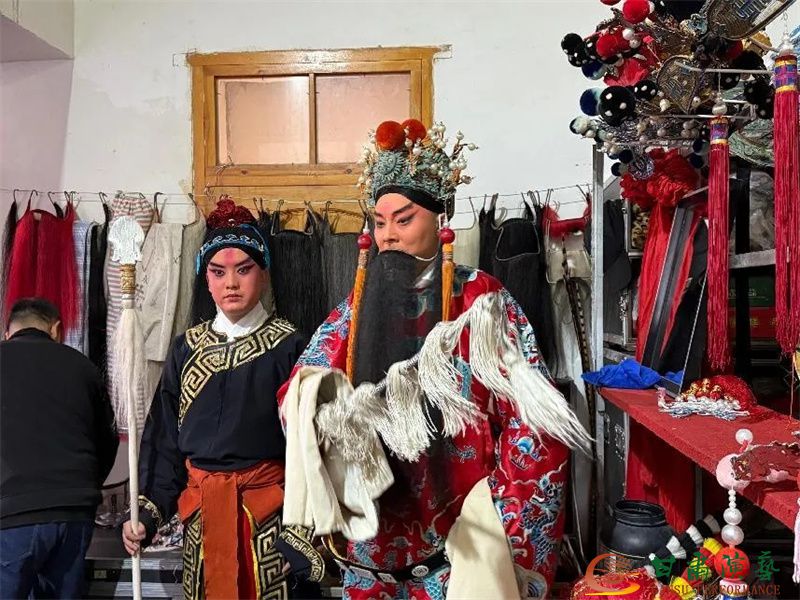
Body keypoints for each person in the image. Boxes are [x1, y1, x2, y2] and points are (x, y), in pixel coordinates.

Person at [279, 119, 589, 600]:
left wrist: (500, 520)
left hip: (460, 551)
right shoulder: (359, 305)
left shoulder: (481, 302)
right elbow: (298, 389)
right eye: (379, 222)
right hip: (370, 556)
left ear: (440, 220)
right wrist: (328, 410)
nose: (388, 236)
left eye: (404, 220)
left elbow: (535, 424)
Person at [121, 199, 319, 600]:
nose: (231, 283)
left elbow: (312, 447)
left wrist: (304, 530)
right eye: (218, 272)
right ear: (205, 279)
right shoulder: (187, 349)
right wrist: (145, 512)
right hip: (203, 518)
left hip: (271, 518)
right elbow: (163, 439)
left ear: (263, 273)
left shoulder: (292, 347)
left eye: (243, 270)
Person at [1, 297, 119, 599]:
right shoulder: (83, 367)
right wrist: (87, 486)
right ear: (56, 329)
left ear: (7, 332)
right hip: (73, 510)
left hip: (11, 514)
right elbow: (107, 440)